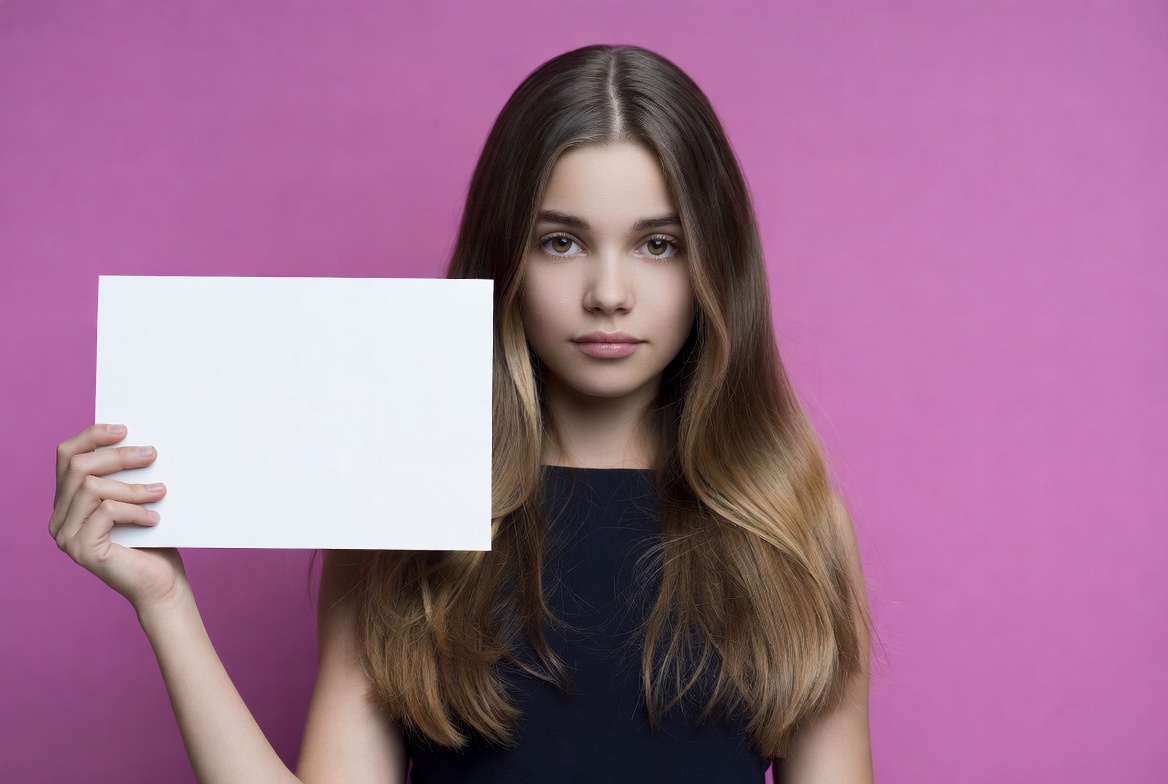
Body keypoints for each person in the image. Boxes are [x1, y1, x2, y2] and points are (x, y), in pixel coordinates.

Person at [49, 45, 872, 782]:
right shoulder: (399, 501)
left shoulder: (788, 524)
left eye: (659, 244)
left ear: (715, 264)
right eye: (561, 241)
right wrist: (165, 603)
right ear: (502, 255)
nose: (610, 294)